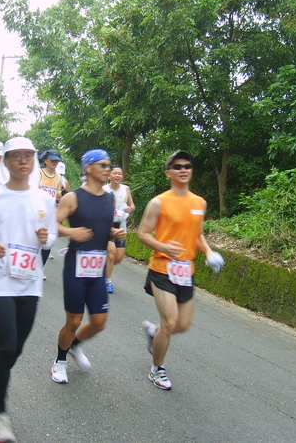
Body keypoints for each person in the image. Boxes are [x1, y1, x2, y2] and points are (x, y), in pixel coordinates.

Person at [0, 136, 57, 443]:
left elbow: (52, 239)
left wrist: (46, 237)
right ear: (5, 162)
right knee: (7, 347)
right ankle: (2, 417)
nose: (22, 160)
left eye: (27, 155)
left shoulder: (45, 200)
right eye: (15, 156)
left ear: (33, 160)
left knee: (16, 349)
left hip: (30, 282)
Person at [138, 150, 223, 390]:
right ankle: (157, 369)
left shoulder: (199, 203)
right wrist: (163, 246)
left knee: (182, 325)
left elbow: (197, 234)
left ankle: (154, 333)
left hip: (186, 270)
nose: (183, 169)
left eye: (187, 166)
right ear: (168, 173)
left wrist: (208, 252)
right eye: (177, 166)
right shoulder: (159, 202)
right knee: (171, 321)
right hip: (162, 268)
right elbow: (143, 234)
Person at [51, 149, 125, 384]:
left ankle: (74, 346)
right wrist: (71, 231)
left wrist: (113, 232)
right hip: (75, 266)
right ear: (89, 168)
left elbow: (103, 226)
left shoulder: (109, 198)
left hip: (97, 268)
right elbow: (52, 224)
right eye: (102, 165)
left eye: (109, 165)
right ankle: (60, 360)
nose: (108, 169)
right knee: (73, 321)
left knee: (99, 322)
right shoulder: (73, 197)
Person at [103, 165, 135, 294]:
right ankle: (107, 281)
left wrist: (130, 209)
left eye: (119, 174)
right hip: (107, 226)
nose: (117, 176)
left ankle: (103, 269)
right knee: (111, 254)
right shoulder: (104, 189)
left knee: (118, 258)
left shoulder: (126, 189)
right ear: (109, 175)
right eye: (114, 173)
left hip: (121, 227)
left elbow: (132, 205)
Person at [38, 149, 63, 266]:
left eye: (57, 160)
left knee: (48, 242)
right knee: (34, 239)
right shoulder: (39, 173)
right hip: (37, 211)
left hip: (51, 213)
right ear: (45, 160)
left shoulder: (58, 177)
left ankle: (40, 267)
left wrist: (63, 195)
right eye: (52, 160)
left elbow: (57, 193)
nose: (55, 162)